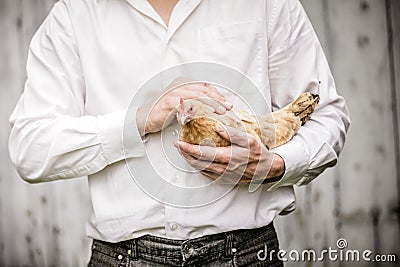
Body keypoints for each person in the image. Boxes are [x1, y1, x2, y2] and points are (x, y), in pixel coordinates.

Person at [9, 0, 350, 266]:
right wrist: (138, 120)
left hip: (245, 254)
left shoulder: (266, 3)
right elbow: (30, 148)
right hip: (123, 258)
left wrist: (275, 165)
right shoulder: (74, 14)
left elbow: (326, 115)